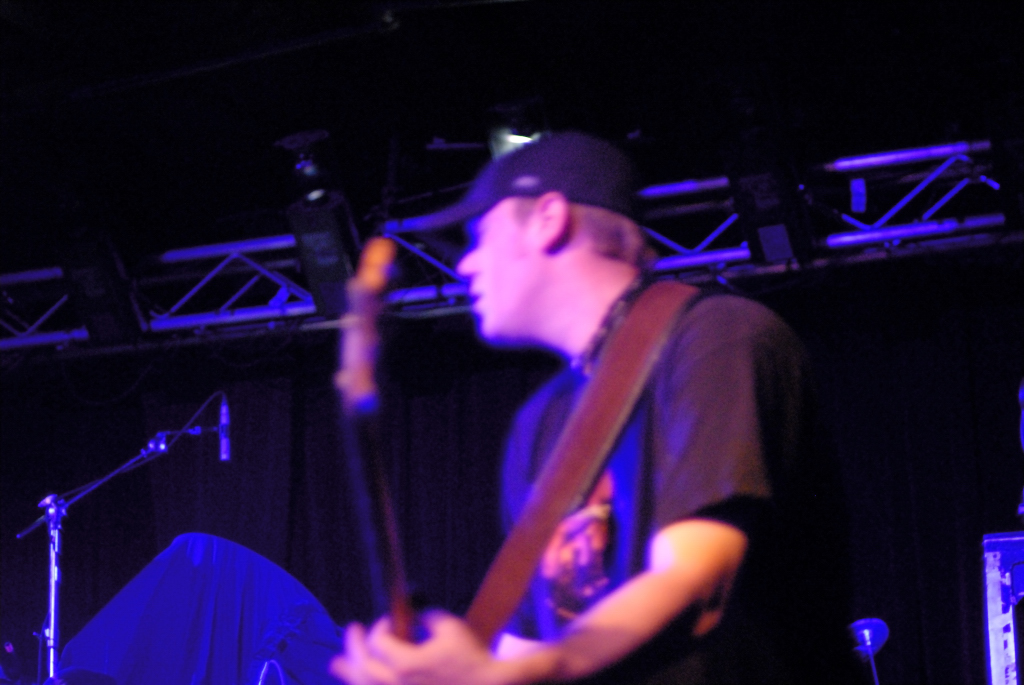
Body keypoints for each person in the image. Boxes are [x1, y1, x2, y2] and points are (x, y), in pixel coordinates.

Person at [331, 131, 856, 684]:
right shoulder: (543, 421)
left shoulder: (718, 337)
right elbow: (526, 642)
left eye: (481, 237)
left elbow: (696, 578)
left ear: (548, 219)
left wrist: (532, 670)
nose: (466, 266)